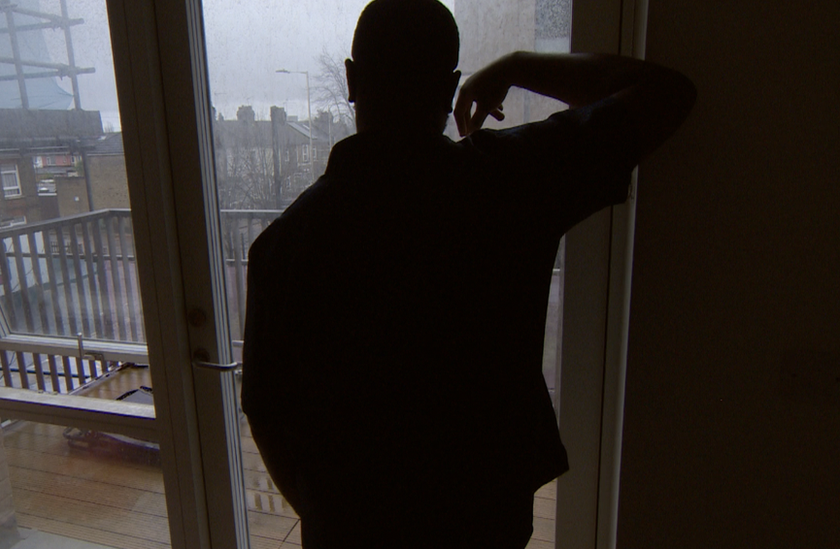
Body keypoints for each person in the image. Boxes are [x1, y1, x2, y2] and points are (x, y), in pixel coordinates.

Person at [241, 0, 695, 547]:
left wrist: (332, 512)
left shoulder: (285, 245)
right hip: (483, 524)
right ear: (450, 87)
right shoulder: (510, 184)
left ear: (352, 80)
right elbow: (668, 94)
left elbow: (267, 410)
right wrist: (518, 65)